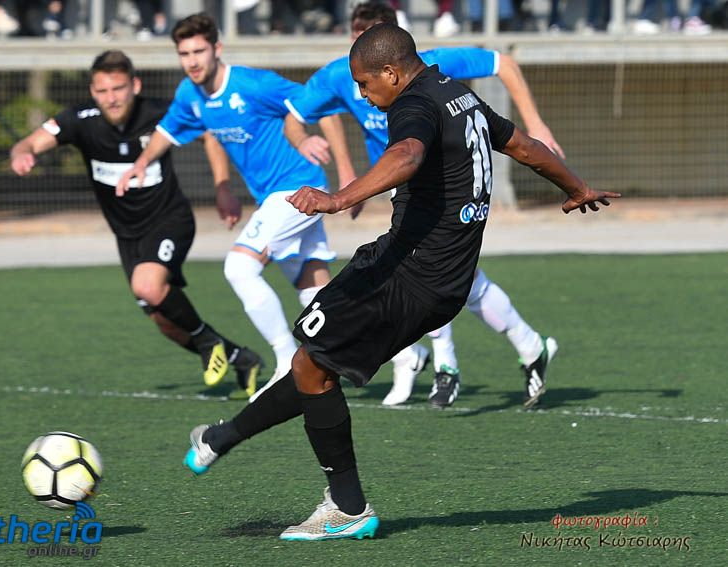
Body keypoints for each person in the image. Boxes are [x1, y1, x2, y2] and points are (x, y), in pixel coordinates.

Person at [183, 23, 618, 541]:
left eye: (365, 84)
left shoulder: (413, 105)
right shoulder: (459, 95)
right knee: (311, 364)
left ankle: (346, 508)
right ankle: (222, 438)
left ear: (391, 72)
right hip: (445, 282)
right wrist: (576, 186)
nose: (363, 95)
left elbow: (407, 154)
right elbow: (523, 146)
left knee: (313, 364)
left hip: (406, 272)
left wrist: (337, 198)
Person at [117, 13, 428, 397]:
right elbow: (166, 132)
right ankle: (405, 352)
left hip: (296, 189)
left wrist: (326, 156)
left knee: (239, 268)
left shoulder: (253, 84)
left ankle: (284, 364)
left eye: (199, 51)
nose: (192, 61)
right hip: (274, 197)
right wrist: (141, 165)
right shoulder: (189, 95)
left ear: (217, 48)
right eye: (184, 54)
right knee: (316, 295)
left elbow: (321, 104)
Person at [284, 1, 562, 408]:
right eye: (360, 38)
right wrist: (332, 161)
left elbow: (504, 63)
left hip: (442, 188)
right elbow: (296, 116)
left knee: (423, 275)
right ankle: (526, 346)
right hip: (400, 187)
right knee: (452, 280)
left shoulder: (431, 67)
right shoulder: (344, 74)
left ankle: (447, 365)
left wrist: (535, 124)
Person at [9, 50, 262, 397]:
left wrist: (222, 188)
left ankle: (207, 343)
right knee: (164, 320)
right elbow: (28, 143)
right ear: (92, 91)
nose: (111, 98)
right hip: (128, 235)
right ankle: (241, 358)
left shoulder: (160, 113)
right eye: (102, 91)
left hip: (170, 220)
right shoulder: (79, 119)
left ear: (135, 85)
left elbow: (209, 133)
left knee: (148, 286)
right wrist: (22, 154)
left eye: (118, 88)